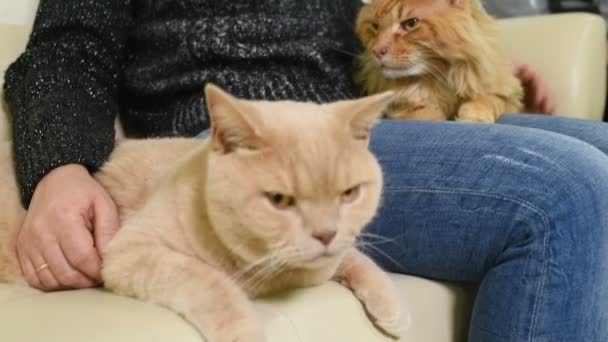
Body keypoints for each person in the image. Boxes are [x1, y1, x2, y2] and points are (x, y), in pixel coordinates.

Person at [3, 0, 607, 341]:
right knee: (567, 193)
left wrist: (471, 65)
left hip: (352, 127)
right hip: (240, 140)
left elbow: (378, 35)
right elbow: (65, 49)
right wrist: (58, 167)